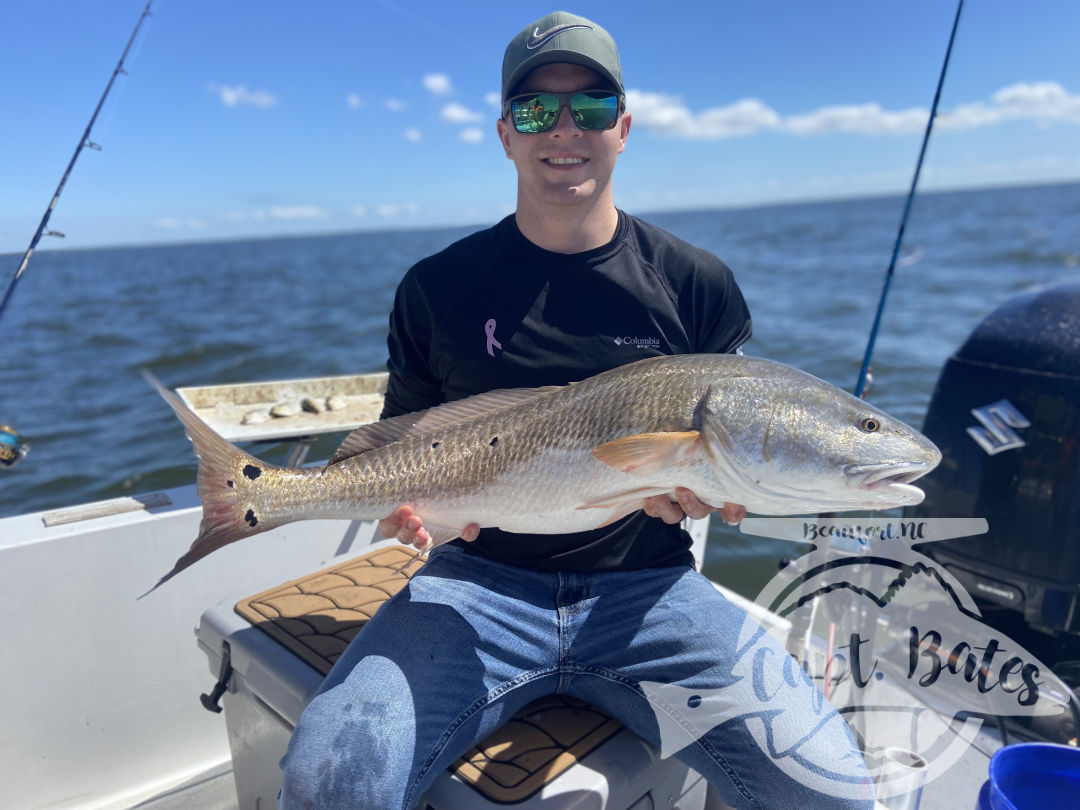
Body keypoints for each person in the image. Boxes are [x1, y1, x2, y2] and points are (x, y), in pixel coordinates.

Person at [279, 12, 874, 810]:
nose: (565, 128)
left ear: (623, 128)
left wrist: (715, 496)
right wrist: (409, 513)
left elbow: (727, 460)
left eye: (591, 107)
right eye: (536, 110)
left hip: (650, 591)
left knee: (830, 789)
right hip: (472, 584)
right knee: (329, 782)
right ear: (505, 134)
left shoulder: (695, 283)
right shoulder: (436, 286)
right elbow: (403, 439)